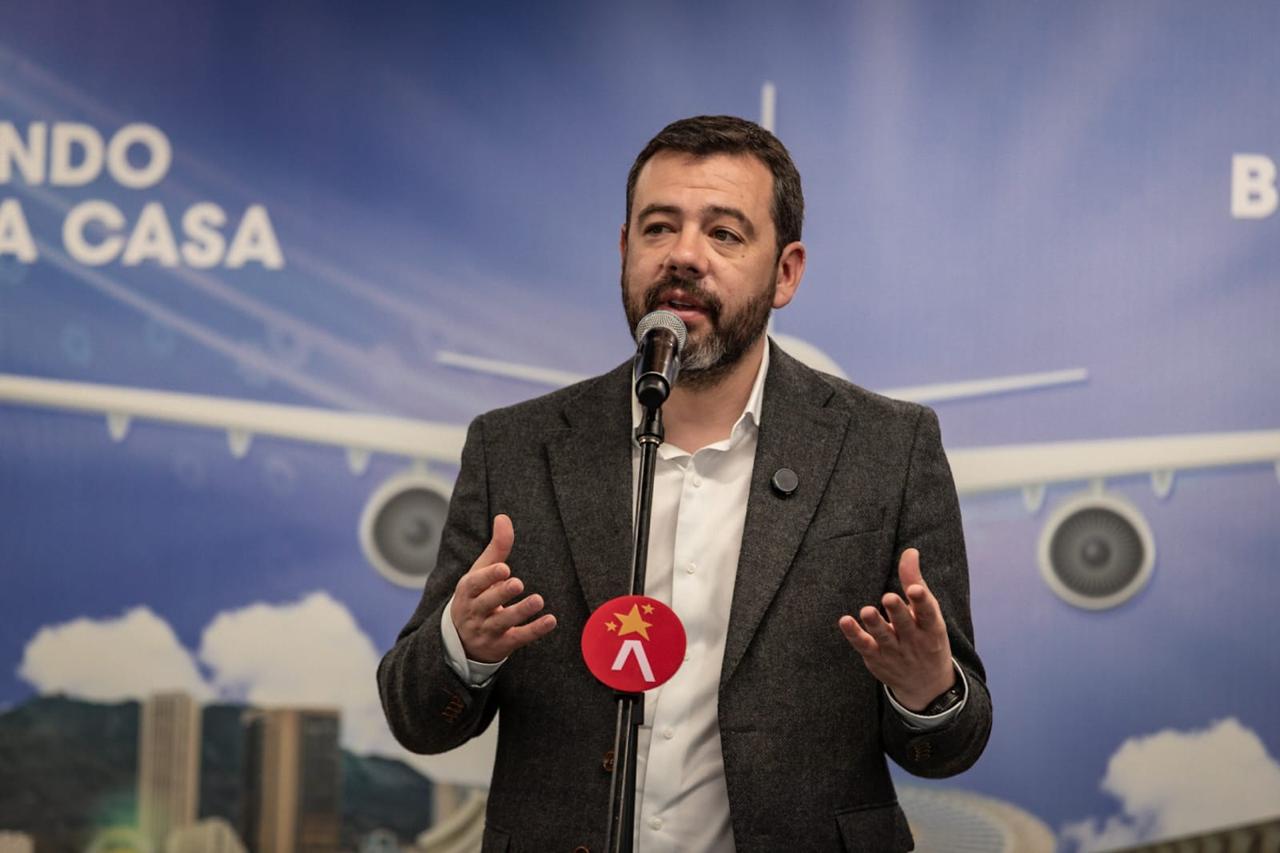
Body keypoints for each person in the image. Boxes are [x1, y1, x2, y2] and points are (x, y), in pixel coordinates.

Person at [378, 115, 991, 852]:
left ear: (786, 272)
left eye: (725, 234)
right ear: (624, 250)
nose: (683, 257)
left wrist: (925, 687)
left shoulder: (888, 448)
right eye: (659, 228)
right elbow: (418, 719)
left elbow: (952, 742)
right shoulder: (513, 448)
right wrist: (462, 644)